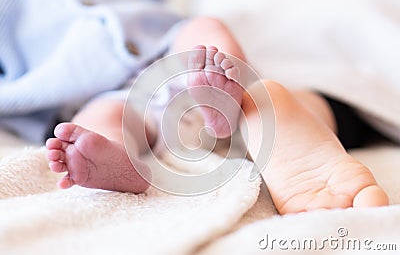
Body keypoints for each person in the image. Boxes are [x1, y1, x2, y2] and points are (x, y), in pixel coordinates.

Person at [46, 17, 388, 214]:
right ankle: (120, 160)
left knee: (203, 30)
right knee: (93, 124)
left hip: (176, 58)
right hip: (115, 94)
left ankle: (228, 101)